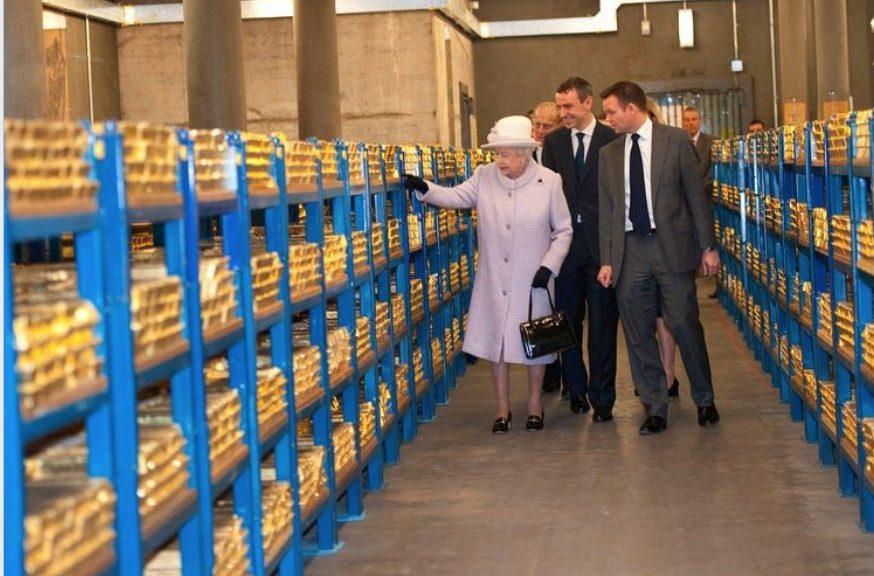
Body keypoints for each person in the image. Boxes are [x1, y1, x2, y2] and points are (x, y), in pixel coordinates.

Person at [404, 115, 572, 434]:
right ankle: (502, 408)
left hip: (534, 278)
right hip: (495, 276)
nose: (499, 161)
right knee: (498, 342)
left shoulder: (549, 181)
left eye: (504, 154)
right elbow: (457, 197)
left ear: (523, 153)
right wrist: (426, 189)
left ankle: (535, 404)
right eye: (496, 154)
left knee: (535, 343)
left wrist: (549, 265)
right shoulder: (484, 176)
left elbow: (563, 230)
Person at [597, 81, 720, 435]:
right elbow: (607, 211)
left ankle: (705, 398)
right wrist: (607, 259)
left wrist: (707, 246)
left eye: (611, 112)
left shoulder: (675, 141)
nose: (608, 119)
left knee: (684, 323)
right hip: (629, 251)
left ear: (631, 109)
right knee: (637, 331)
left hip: (671, 248)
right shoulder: (609, 153)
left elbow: (696, 198)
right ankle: (655, 405)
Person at [541, 77, 620, 422]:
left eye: (569, 106)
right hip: (565, 249)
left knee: (603, 325)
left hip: (602, 248)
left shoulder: (611, 139)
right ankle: (576, 390)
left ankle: (603, 399)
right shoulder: (554, 142)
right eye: (560, 107)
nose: (563, 113)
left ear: (588, 103)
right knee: (566, 321)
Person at [645, 98, 680, 398]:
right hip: (637, 247)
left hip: (667, 244)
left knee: (666, 315)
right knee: (646, 316)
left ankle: (668, 373)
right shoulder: (621, 150)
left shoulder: (672, 146)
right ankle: (654, 374)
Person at [682, 106, 714, 192]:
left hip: (706, 193)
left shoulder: (711, 142)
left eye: (694, 119)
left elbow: (713, 170)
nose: (691, 123)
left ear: (700, 121)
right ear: (683, 122)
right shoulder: (677, 142)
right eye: (687, 120)